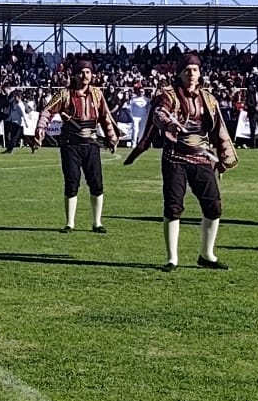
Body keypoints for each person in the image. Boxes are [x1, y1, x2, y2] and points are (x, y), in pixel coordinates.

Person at [124, 54, 236, 271]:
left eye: (195, 70)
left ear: (200, 73)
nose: (191, 73)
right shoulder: (168, 96)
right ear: (179, 73)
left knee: (214, 206)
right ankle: (172, 258)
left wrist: (224, 158)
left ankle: (207, 254)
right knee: (174, 207)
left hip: (202, 157)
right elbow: (159, 114)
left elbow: (218, 129)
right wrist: (170, 125)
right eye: (187, 70)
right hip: (175, 158)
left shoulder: (208, 99)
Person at [32, 58, 118, 233]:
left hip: (91, 145)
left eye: (88, 72)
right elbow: (47, 111)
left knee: (96, 183)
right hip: (70, 145)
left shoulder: (97, 94)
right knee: (72, 182)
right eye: (81, 72)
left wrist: (112, 136)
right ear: (75, 75)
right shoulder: (64, 94)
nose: (85, 75)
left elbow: (105, 117)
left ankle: (97, 222)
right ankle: (69, 223)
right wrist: (41, 128)